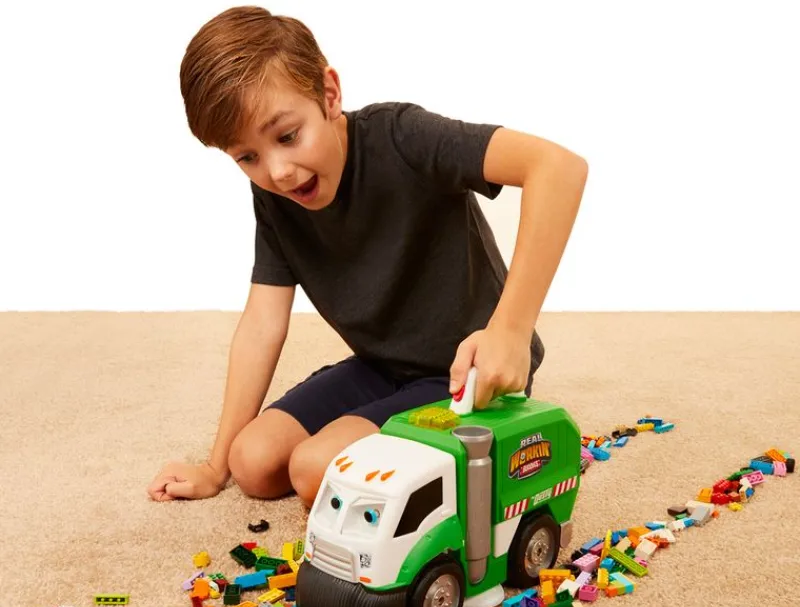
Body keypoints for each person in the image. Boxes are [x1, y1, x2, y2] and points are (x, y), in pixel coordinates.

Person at [147, 5, 588, 507]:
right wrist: (214, 467)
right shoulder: (274, 196)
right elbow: (261, 324)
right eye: (248, 157)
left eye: (287, 136)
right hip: (380, 368)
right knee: (251, 463)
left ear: (329, 94)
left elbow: (558, 168)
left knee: (315, 470)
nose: (278, 171)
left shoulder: (403, 137)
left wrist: (510, 330)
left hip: (468, 375)